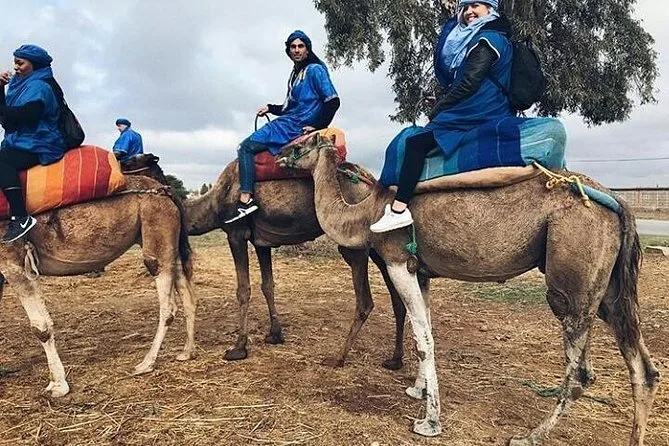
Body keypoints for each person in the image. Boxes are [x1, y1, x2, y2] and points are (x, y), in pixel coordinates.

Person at [370, 0, 515, 233]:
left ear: (490, 9)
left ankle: (399, 209)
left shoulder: (488, 39)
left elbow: (469, 83)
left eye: (475, 5)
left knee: (415, 143)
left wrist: (438, 109)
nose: (469, 11)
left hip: (477, 110)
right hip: (480, 106)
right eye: (465, 7)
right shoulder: (486, 37)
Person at [224, 30, 341, 223]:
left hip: (293, 125)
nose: (297, 50)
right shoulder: (296, 74)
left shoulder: (314, 70)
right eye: (293, 47)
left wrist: (317, 125)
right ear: (288, 50)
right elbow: (288, 107)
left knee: (244, 147)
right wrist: (270, 108)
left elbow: (333, 101)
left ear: (307, 49)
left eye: (301, 46)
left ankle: (246, 199)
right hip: (289, 121)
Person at [0, 44, 67, 243]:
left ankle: (20, 217)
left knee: (3, 162)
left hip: (41, 142)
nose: (15, 67)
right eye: (15, 62)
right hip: (22, 140)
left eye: (20, 63)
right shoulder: (18, 86)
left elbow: (28, 115)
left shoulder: (39, 86)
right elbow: (7, 121)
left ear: (34, 64)